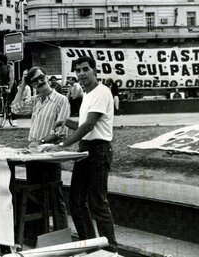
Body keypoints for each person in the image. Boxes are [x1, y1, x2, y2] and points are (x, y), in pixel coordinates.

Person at [43, 56, 118, 252]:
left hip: (99, 150)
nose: (81, 74)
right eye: (78, 71)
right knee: (76, 201)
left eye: (85, 69)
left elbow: (89, 125)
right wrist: (66, 121)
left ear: (95, 70)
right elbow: (83, 124)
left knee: (97, 203)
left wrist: (62, 144)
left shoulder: (103, 92)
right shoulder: (88, 95)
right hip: (86, 150)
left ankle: (110, 250)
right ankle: (92, 248)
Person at [11, 66, 70, 247]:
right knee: (34, 194)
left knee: (55, 196)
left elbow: (61, 132)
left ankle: (62, 239)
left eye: (41, 77)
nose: (39, 82)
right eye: (34, 80)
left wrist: (42, 141)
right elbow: (15, 108)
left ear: (47, 77)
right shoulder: (36, 100)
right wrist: (21, 85)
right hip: (33, 155)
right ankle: (35, 238)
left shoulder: (61, 100)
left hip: (49, 155)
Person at [0, 53, 17, 126]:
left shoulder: (9, 67)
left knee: (12, 102)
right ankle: (0, 120)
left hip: (10, 85)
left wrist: (10, 89)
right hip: (2, 85)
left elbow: (12, 79)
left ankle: (14, 119)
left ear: (2, 61)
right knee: (0, 102)